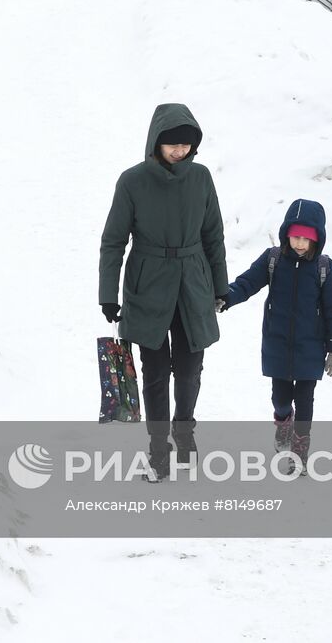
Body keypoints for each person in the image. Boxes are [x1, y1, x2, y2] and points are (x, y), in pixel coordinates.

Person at [99, 104, 228, 481]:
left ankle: (184, 432)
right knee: (155, 373)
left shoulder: (201, 178)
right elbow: (113, 241)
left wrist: (220, 286)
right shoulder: (132, 181)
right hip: (148, 285)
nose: (179, 151)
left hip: (193, 284)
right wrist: (109, 294)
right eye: (172, 144)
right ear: (156, 142)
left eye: (186, 145)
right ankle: (158, 452)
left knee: (190, 370)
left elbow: (213, 236)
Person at [220, 199, 332, 476]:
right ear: (286, 233)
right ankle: (282, 422)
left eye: (307, 238)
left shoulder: (325, 268)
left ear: (317, 239)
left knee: (305, 399)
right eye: (296, 236)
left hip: (310, 347)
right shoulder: (273, 259)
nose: (300, 243)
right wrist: (225, 298)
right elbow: (247, 283)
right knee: (280, 398)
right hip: (277, 344)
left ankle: (300, 450)